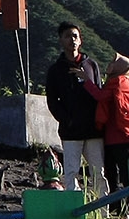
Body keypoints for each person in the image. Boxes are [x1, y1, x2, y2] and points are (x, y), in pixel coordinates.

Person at [44, 21, 105, 197]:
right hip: (70, 132)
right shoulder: (55, 70)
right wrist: (66, 120)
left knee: (98, 173)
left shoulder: (91, 65)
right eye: (67, 36)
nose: (72, 40)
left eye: (75, 36)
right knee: (71, 172)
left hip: (93, 130)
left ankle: (103, 213)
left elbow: (99, 93)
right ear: (61, 41)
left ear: (81, 40)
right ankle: (75, 212)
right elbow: (52, 100)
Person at [96, 56, 129, 194]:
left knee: (113, 176)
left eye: (113, 62)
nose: (110, 64)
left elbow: (100, 96)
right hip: (126, 137)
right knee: (128, 175)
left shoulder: (117, 83)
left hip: (113, 137)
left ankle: (117, 209)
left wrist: (87, 82)